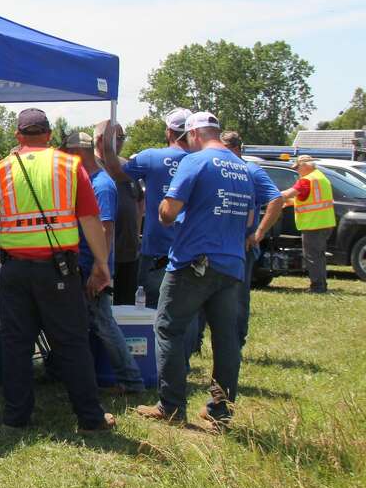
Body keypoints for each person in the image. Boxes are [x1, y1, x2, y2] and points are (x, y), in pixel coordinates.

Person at [0, 109, 116, 433]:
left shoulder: (0, 172)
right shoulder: (69, 167)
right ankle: (90, 419)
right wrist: (102, 265)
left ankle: (16, 418)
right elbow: (91, 220)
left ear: (18, 136)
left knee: (17, 345)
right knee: (72, 343)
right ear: (49, 134)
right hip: (59, 272)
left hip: (15, 272)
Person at [135, 112, 275, 431]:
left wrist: (161, 209)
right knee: (226, 339)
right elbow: (252, 218)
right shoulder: (243, 167)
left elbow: (169, 213)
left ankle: (171, 406)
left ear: (195, 134)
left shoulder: (195, 162)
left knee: (168, 327)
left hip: (193, 262)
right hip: (231, 263)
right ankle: (220, 411)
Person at [63, 131, 144, 394]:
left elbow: (106, 229)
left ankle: (131, 381)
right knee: (94, 322)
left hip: (92, 267)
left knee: (104, 323)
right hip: (87, 263)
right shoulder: (91, 180)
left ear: (77, 153)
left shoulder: (100, 185)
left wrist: (100, 269)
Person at [103, 108, 192, 307]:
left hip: (157, 252)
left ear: (169, 132)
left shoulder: (152, 158)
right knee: (190, 317)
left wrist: (108, 144)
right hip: (194, 253)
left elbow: (116, 172)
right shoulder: (203, 161)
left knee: (153, 313)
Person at [220, 132, 282, 346]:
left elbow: (276, 199)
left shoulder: (251, 171)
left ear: (237, 149)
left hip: (242, 247)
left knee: (237, 298)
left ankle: (236, 343)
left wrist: (259, 232)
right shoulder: (218, 169)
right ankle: (197, 343)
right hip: (216, 243)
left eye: (226, 148)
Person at [94, 119, 144, 306]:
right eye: (117, 137)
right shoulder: (92, 167)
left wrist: (136, 233)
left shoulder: (126, 166)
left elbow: (140, 200)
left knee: (127, 308)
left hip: (129, 253)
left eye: (123, 137)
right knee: (104, 311)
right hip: (103, 255)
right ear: (101, 140)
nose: (122, 142)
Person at [279, 155, 336, 294]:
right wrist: (292, 202)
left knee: (312, 257)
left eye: (298, 167)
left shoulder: (306, 180)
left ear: (305, 165)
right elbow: (311, 199)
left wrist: (270, 195)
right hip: (325, 222)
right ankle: (321, 285)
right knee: (319, 256)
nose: (297, 171)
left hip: (313, 224)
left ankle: (317, 288)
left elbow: (288, 193)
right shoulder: (321, 177)